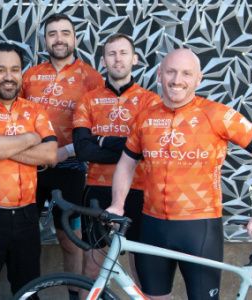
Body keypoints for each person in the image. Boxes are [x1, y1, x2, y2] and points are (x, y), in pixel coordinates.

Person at [107, 48, 252, 299]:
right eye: (170, 72)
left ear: (199, 79)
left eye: (186, 73)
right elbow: (126, 163)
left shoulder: (217, 114)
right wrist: (117, 205)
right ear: (160, 74)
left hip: (199, 228)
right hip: (152, 225)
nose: (177, 80)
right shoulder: (145, 117)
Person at [0, 43, 57, 299]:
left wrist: (0, 147)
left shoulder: (34, 109)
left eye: (15, 69)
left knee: (28, 293)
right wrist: (29, 137)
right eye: (0, 69)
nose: (8, 76)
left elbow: (50, 154)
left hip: (27, 214)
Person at [22, 13, 104, 283]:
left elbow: (98, 131)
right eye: (52, 33)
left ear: (75, 38)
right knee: (25, 237)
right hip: (31, 167)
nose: (59, 39)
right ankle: (29, 291)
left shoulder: (91, 78)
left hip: (70, 167)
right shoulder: (30, 76)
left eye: (65, 33)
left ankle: (76, 293)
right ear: (45, 40)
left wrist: (65, 152)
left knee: (70, 238)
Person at [72, 33, 159, 282]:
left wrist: (101, 140)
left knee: (141, 269)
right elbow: (83, 150)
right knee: (92, 267)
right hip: (98, 189)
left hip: (140, 190)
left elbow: (146, 149)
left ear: (135, 59)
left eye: (123, 53)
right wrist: (129, 149)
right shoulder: (88, 100)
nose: (117, 59)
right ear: (103, 60)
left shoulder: (151, 102)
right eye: (111, 54)